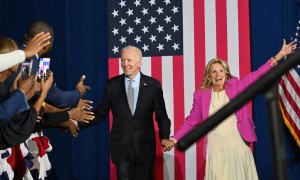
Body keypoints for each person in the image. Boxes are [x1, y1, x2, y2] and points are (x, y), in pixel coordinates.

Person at [163, 39, 297, 180]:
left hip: (236, 145)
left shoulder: (236, 87)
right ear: (209, 77)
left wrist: (280, 55)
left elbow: (257, 75)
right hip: (215, 148)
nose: (218, 74)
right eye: (213, 72)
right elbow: (191, 121)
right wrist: (174, 139)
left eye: (221, 70)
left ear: (226, 74)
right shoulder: (201, 96)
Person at [79, 46, 171, 180]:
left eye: (129, 60)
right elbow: (100, 113)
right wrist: (76, 122)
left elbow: (162, 116)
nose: (125, 64)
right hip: (121, 148)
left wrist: (165, 136)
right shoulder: (112, 85)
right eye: (122, 60)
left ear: (139, 62)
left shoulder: (153, 85)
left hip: (144, 148)